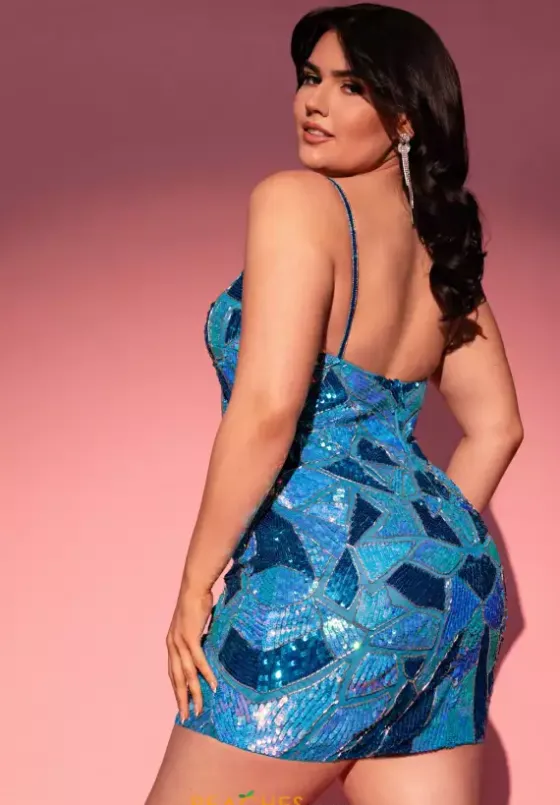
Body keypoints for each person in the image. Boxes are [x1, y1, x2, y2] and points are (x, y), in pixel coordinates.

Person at [145, 4, 523, 804]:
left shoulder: (296, 200)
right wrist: (419, 557)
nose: (314, 102)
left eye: (351, 87)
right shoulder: (439, 247)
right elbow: (498, 427)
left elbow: (268, 408)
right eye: (310, 78)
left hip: (319, 581)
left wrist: (195, 579)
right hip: (452, 594)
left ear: (406, 117)